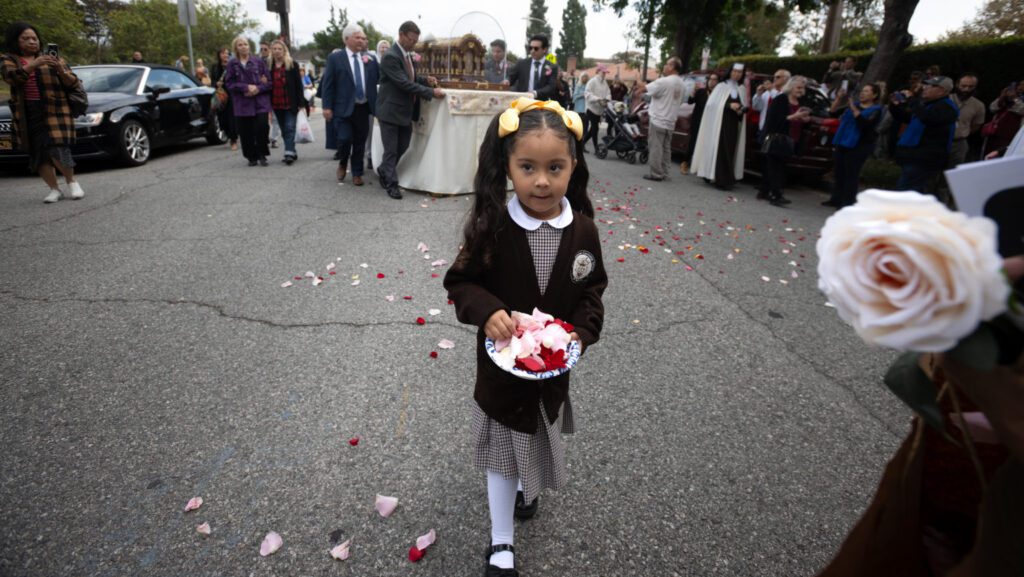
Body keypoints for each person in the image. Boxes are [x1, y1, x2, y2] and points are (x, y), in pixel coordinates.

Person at [443, 97, 607, 577]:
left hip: (549, 373)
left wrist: (579, 332)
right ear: (507, 167)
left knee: (534, 438)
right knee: (502, 454)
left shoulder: (583, 232)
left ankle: (524, 489)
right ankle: (500, 542)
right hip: (501, 374)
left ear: (572, 168)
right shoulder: (492, 226)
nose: (541, 181)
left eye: (555, 168)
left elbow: (592, 291)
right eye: (527, 167)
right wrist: (488, 309)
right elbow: (461, 282)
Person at [1, 21, 86, 203]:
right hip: (27, 113)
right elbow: (11, 78)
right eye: (26, 38)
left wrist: (60, 70)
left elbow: (73, 83)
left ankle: (72, 182)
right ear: (16, 41)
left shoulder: (53, 59)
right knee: (37, 151)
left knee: (57, 146)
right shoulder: (9, 59)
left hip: (55, 110)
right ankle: (54, 189)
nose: (32, 42)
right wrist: (33, 65)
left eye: (34, 38)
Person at [375, 21, 444, 200]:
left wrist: (424, 80)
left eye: (416, 40)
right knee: (391, 150)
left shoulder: (407, 55)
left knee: (403, 145)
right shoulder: (391, 56)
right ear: (401, 35)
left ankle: (384, 170)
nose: (414, 44)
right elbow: (403, 83)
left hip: (404, 112)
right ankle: (391, 184)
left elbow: (411, 77)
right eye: (412, 40)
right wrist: (431, 92)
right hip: (390, 111)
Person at [322, 24, 378, 185]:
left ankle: (357, 172)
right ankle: (342, 161)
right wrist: (326, 106)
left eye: (363, 38)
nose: (361, 40)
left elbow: (379, 81)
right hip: (343, 108)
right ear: (347, 39)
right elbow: (328, 84)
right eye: (357, 37)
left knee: (360, 141)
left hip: (363, 107)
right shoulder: (335, 58)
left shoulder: (370, 60)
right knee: (345, 139)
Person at [890, 76, 959, 195]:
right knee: (913, 191)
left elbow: (929, 119)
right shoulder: (927, 105)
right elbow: (907, 118)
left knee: (905, 191)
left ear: (942, 91)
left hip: (924, 159)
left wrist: (912, 100)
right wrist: (896, 105)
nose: (925, 88)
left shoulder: (947, 107)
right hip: (912, 157)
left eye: (930, 86)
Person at [691, 63, 749, 191]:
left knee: (730, 149)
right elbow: (711, 106)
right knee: (720, 149)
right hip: (719, 124)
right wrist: (729, 106)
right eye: (734, 71)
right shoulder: (721, 87)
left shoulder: (742, 89)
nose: (737, 74)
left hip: (733, 125)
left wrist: (740, 111)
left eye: (740, 72)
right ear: (730, 72)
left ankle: (726, 177)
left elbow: (743, 106)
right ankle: (720, 179)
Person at [824, 83, 883, 208]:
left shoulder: (876, 110)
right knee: (839, 172)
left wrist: (855, 110)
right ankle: (836, 199)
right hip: (843, 142)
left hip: (859, 145)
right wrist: (839, 98)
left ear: (874, 95)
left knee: (851, 174)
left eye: (867, 91)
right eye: (862, 90)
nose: (862, 93)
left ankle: (848, 202)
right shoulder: (852, 106)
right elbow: (832, 113)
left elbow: (866, 125)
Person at [759, 76, 811, 206]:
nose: (800, 90)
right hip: (778, 137)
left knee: (777, 166)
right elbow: (773, 119)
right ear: (791, 87)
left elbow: (805, 122)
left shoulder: (801, 101)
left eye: (802, 88)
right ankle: (776, 195)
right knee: (775, 167)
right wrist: (794, 116)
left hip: (793, 138)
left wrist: (805, 120)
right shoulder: (781, 99)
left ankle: (764, 191)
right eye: (798, 87)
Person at [638, 57, 688, 182]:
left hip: (658, 119)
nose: (664, 66)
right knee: (666, 148)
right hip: (671, 121)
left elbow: (644, 88)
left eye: (666, 64)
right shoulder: (682, 84)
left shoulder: (664, 81)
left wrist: (639, 80)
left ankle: (656, 174)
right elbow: (681, 101)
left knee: (656, 147)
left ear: (672, 67)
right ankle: (665, 173)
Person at [224, 35, 271, 167]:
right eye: (240, 45)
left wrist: (258, 88)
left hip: (259, 101)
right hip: (242, 103)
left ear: (249, 46)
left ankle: (262, 154)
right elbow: (229, 83)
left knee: (262, 127)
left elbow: (269, 82)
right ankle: (251, 156)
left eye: (245, 44)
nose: (243, 46)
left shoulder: (258, 62)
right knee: (246, 131)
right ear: (236, 48)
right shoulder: (232, 64)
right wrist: (245, 87)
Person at [268, 39, 306, 165]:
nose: (277, 51)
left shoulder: (292, 64)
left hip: (291, 102)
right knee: (284, 129)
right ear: (271, 51)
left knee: (290, 127)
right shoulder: (269, 66)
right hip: (276, 102)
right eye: (274, 49)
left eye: (280, 49)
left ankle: (288, 153)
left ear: (284, 50)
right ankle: (292, 150)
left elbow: (298, 85)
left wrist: (301, 103)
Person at [680, 72, 718, 175]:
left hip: (710, 124)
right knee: (693, 144)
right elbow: (690, 102)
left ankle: (700, 167)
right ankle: (685, 163)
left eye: (715, 80)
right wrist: (693, 92)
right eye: (711, 79)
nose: (712, 82)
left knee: (705, 145)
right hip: (698, 122)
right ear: (708, 81)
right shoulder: (701, 92)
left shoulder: (718, 95)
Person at [506, 34, 559, 101]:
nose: (532, 51)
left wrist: (535, 93)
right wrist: (507, 80)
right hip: (522, 102)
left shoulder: (552, 67)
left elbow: (551, 87)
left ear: (544, 49)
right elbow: (511, 77)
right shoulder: (521, 63)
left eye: (536, 48)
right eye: (530, 48)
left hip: (541, 104)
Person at [950, 74, 985, 166]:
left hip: (959, 143)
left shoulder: (978, 105)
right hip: (938, 140)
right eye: (964, 86)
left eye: (970, 87)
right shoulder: (946, 99)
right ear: (957, 85)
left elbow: (976, 125)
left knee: (954, 171)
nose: (966, 89)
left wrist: (962, 131)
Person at [983, 81, 1024, 158]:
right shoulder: (1006, 98)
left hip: (1011, 137)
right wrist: (1002, 97)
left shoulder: (1018, 99)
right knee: (988, 156)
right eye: (1020, 85)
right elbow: (992, 108)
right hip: (994, 134)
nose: (1020, 87)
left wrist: (1015, 99)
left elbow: (1022, 109)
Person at [210, 47, 238, 151]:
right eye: (223, 53)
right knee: (222, 118)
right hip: (220, 95)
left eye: (227, 53)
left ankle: (233, 139)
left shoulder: (233, 65)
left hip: (231, 94)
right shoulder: (215, 67)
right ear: (219, 55)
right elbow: (212, 81)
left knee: (231, 117)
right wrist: (216, 84)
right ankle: (228, 133)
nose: (225, 55)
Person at [752, 69, 790, 134]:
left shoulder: (788, 93)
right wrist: (758, 94)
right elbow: (757, 108)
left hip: (778, 130)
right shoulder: (767, 93)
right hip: (764, 128)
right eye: (774, 77)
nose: (775, 79)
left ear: (786, 79)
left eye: (778, 77)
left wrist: (771, 90)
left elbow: (779, 102)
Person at [583, 64, 610, 153]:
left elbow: (608, 93)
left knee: (592, 130)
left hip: (599, 110)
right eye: (603, 72)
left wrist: (607, 99)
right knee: (595, 129)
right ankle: (596, 149)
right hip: (591, 109)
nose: (604, 74)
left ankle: (581, 144)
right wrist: (597, 99)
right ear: (598, 72)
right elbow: (587, 94)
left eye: (605, 73)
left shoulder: (605, 82)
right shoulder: (592, 81)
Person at [572, 72, 589, 150]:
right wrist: (582, 95)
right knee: (579, 128)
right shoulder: (578, 86)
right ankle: (576, 144)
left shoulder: (588, 86)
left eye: (586, 77)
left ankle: (582, 145)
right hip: (579, 110)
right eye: (584, 77)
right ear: (581, 78)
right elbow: (574, 97)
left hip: (586, 110)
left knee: (585, 129)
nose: (585, 78)